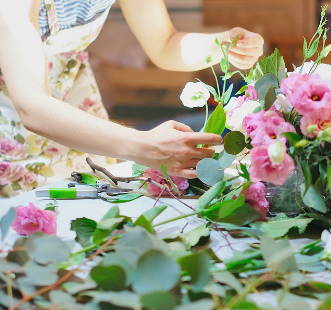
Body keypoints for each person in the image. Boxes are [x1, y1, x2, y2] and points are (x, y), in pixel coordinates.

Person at [0, 0, 264, 196]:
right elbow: (32, 106)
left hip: (81, 120)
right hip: (12, 129)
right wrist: (142, 145)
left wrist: (220, 45)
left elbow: (165, 44)